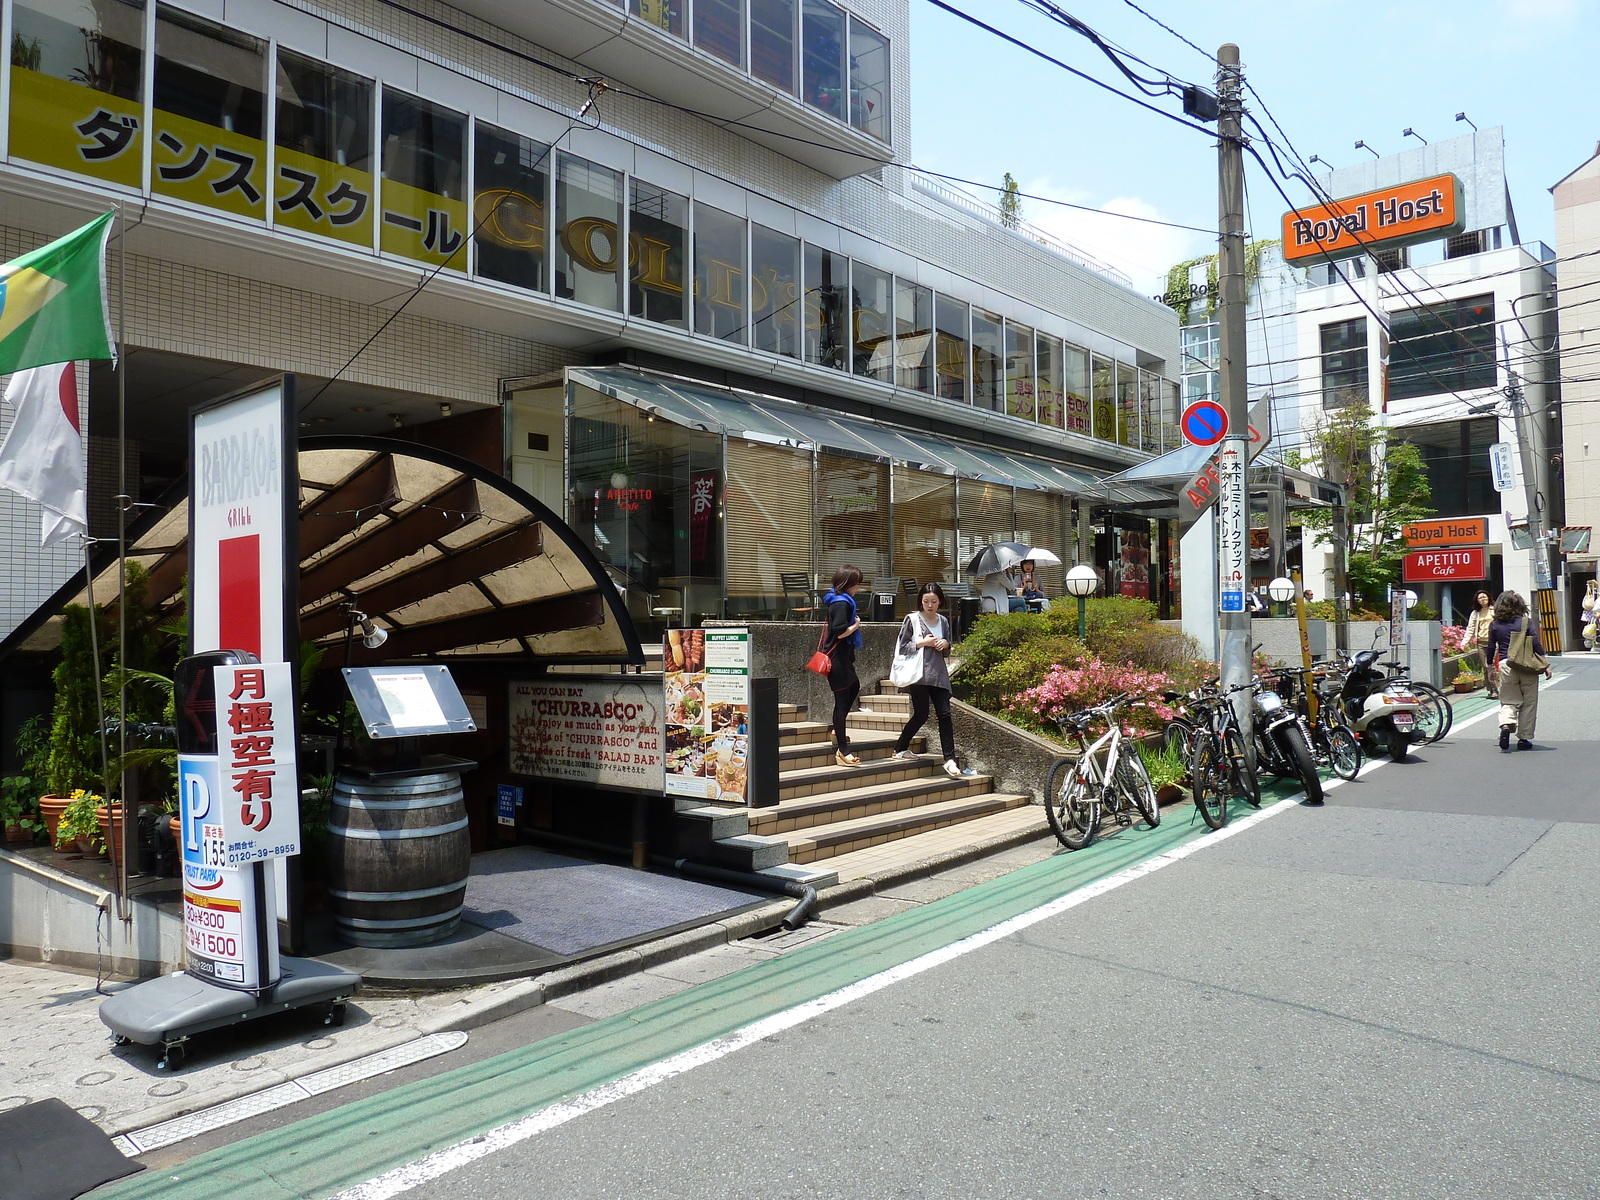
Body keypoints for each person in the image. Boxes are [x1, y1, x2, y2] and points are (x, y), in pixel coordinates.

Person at [891, 583, 966, 778]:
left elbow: (948, 649)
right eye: (926, 601)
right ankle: (900, 748)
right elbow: (903, 647)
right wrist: (923, 643)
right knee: (921, 714)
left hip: (939, 674)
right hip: (919, 675)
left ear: (940, 601)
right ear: (921, 602)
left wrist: (945, 644)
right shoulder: (913, 619)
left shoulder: (943, 621)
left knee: (945, 715)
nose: (929, 605)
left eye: (933, 601)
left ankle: (949, 759)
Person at [1487, 590, 1552, 751]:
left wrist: (1490, 667)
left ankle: (1506, 724)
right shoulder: (1525, 622)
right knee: (1529, 703)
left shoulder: (1495, 625)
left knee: (1509, 700)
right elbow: (1535, 642)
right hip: (1527, 666)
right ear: (1520, 605)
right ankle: (1524, 738)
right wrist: (1545, 663)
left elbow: (1490, 647)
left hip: (1506, 665)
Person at [820, 565, 866, 766]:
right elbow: (839, 631)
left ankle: (836, 731)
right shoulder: (841, 604)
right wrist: (855, 626)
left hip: (842, 657)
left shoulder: (838, 600)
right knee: (842, 699)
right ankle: (842, 750)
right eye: (856, 583)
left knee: (853, 687)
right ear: (847, 584)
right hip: (837, 658)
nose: (858, 587)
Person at [1464, 589, 1497, 698]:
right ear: (1477, 601)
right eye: (1480, 598)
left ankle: (1495, 689)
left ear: (1488, 598)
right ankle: (1491, 689)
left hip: (1493, 642)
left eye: (1484, 597)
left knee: (1490, 665)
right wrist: (1465, 642)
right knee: (1485, 666)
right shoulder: (1476, 613)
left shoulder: (1495, 610)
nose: (1482, 600)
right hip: (1481, 642)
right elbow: (1470, 628)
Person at [1582, 580, 1599, 652]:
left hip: (1595, 618)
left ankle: (1595, 646)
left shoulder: (1597, 599)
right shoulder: (1597, 599)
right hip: (1596, 618)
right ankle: (1595, 646)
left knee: (1596, 632)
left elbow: (1596, 609)